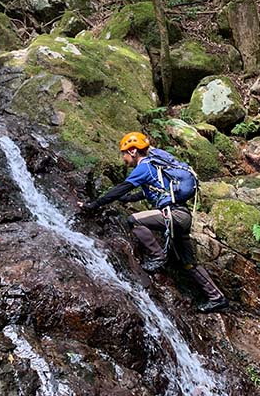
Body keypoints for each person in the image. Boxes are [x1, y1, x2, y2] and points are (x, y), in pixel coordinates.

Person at [82, 131, 229, 313]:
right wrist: (129, 199)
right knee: (188, 263)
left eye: (124, 153)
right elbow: (150, 192)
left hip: (171, 215)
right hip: (183, 216)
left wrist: (94, 204)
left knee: (134, 221)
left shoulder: (143, 167)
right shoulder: (155, 168)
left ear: (133, 151)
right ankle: (217, 297)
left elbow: (120, 188)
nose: (123, 158)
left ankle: (158, 256)